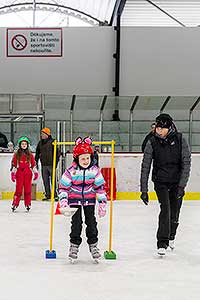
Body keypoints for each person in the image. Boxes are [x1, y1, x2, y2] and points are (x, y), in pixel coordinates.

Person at [140, 113, 191, 256]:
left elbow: (186, 163)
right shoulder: (152, 141)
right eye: (158, 127)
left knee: (175, 212)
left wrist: (182, 186)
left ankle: (171, 236)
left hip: (176, 181)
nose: (159, 130)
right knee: (166, 209)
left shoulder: (180, 140)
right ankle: (162, 242)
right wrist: (144, 190)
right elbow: (145, 166)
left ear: (169, 128)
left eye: (162, 128)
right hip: (160, 181)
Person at [58, 136, 107, 262]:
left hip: (89, 201)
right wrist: (63, 201)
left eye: (87, 158)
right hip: (74, 201)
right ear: (76, 159)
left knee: (91, 224)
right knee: (76, 224)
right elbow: (63, 188)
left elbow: (100, 187)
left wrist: (102, 203)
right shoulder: (71, 172)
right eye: (82, 158)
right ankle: (74, 246)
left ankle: (93, 246)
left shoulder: (95, 171)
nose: (85, 161)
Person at [10, 136, 38, 212]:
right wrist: (13, 173)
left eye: (25, 144)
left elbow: (33, 165)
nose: (24, 145)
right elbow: (14, 165)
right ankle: (15, 204)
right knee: (18, 190)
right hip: (19, 173)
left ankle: (28, 204)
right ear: (20, 145)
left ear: (27, 145)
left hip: (28, 173)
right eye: (22, 144)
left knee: (27, 190)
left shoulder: (30, 155)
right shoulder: (16, 154)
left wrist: (35, 173)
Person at [35, 127, 60, 201]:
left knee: (53, 181)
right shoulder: (40, 143)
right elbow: (37, 153)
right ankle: (48, 195)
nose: (41, 135)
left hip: (51, 165)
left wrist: (55, 164)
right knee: (45, 180)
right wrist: (36, 161)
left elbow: (57, 154)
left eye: (43, 134)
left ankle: (55, 195)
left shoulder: (53, 142)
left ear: (47, 134)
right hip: (44, 165)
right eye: (41, 134)